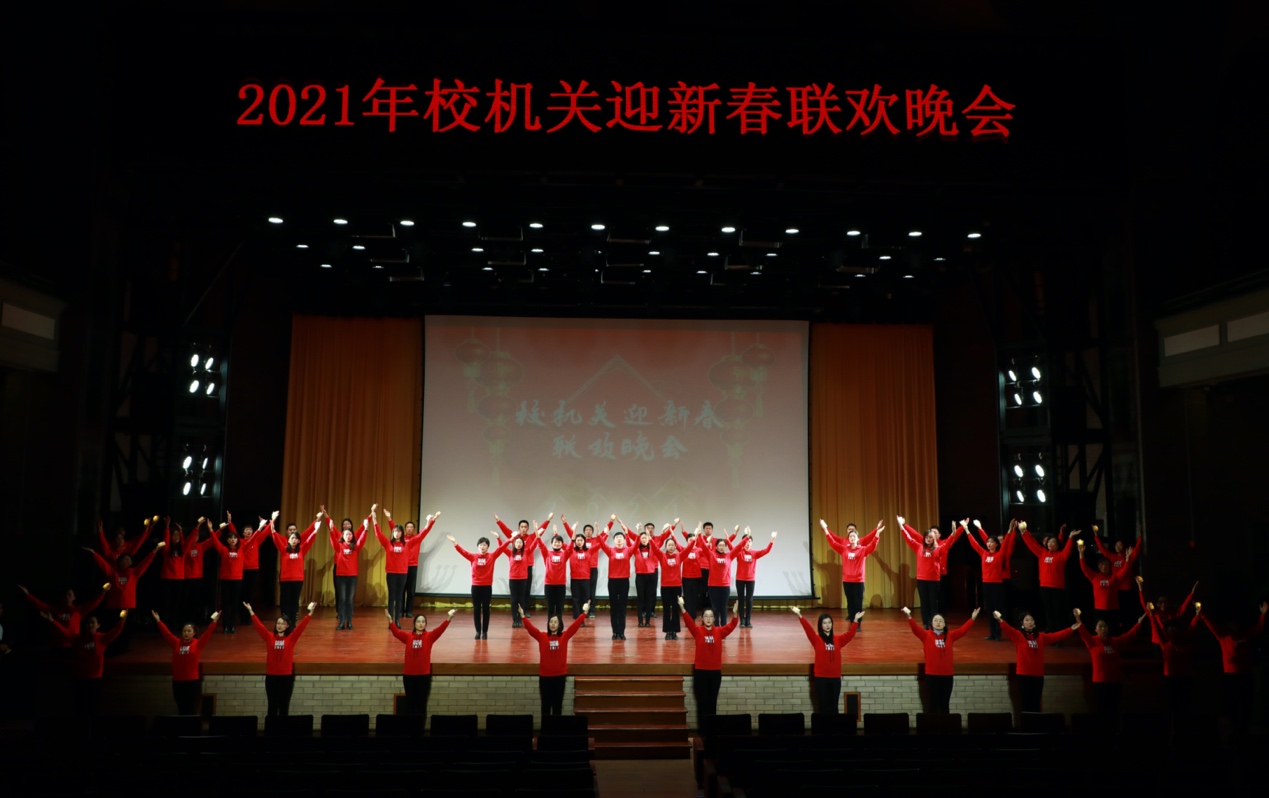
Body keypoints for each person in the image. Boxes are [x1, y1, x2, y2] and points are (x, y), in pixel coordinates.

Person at [1197, 600, 1267, 734]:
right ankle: (1234, 728)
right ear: (1228, 625)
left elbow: (1259, 628)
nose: (1234, 625)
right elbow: (1211, 626)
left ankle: (1244, 727)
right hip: (1230, 676)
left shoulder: (1246, 634)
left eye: (1236, 623)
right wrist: (1201, 614)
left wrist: (1263, 614)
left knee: (1246, 701)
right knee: (1232, 702)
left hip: (1246, 674)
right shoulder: (1224, 637)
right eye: (1232, 623)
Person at [42, 609, 128, 715]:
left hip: (95, 679)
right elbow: (65, 632)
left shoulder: (102, 638)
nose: (90, 625)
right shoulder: (78, 638)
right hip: (79, 679)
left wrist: (122, 620)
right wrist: (52, 620)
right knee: (79, 709)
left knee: (93, 709)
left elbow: (115, 631)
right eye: (88, 623)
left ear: (98, 625)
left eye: (92, 622)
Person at [996, 609, 1080, 712]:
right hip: (1024, 675)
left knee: (1036, 704)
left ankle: (1036, 723)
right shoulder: (1018, 635)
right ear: (1022, 623)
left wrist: (1070, 629)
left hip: (1038, 675)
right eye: (1027, 620)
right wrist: (999, 619)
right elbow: (1008, 629)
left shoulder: (1040, 636)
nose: (1030, 622)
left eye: (1031, 620)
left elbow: (1055, 636)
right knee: (1026, 705)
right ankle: (1026, 723)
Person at [86, 539, 163, 652]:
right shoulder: (113, 572)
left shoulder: (134, 572)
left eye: (128, 559)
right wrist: (94, 553)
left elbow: (145, 562)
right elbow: (103, 564)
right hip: (114, 605)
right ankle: (113, 648)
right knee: (113, 628)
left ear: (131, 562)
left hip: (128, 606)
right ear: (119, 561)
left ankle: (123, 648)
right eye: (123, 559)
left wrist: (155, 551)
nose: (125, 561)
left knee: (126, 629)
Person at [902, 605, 980, 713]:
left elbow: (962, 630)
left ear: (944, 624)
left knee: (945, 705)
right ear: (931, 623)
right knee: (933, 705)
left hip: (947, 676)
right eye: (935, 620)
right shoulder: (926, 635)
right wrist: (909, 616)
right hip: (931, 675)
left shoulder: (950, 636)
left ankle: (945, 724)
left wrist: (972, 618)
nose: (938, 622)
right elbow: (915, 629)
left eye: (941, 620)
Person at [244, 599, 315, 717]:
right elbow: (259, 626)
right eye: (278, 623)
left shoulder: (291, 638)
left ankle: (282, 728)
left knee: (284, 707)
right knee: (272, 706)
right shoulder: (269, 637)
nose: (280, 625)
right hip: (271, 677)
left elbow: (301, 627)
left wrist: (310, 613)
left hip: (286, 677)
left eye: (282, 623)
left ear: (287, 626)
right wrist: (251, 611)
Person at [521, 601, 588, 717]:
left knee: (557, 707)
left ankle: (556, 729)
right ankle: (546, 729)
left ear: (559, 625)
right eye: (551, 622)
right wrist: (523, 616)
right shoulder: (542, 636)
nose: (552, 624)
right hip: (545, 677)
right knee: (545, 707)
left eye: (555, 622)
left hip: (560, 677)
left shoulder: (564, 636)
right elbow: (531, 629)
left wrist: (584, 613)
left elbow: (575, 626)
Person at [791, 606, 862, 714]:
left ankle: (834, 726)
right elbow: (808, 629)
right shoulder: (817, 640)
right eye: (824, 623)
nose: (827, 625)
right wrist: (799, 615)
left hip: (835, 678)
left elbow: (850, 635)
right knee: (823, 708)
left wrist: (855, 620)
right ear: (820, 625)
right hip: (821, 678)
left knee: (834, 708)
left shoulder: (838, 640)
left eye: (829, 622)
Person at [679, 595, 739, 722]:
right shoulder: (697, 631)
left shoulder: (719, 632)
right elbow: (688, 621)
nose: (708, 618)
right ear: (702, 618)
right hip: (700, 672)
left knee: (712, 703)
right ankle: (703, 731)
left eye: (711, 616)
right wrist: (682, 606)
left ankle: (711, 730)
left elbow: (732, 625)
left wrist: (735, 613)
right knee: (702, 704)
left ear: (714, 618)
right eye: (705, 616)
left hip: (715, 673)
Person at [386, 607, 456, 716]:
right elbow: (396, 633)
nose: (421, 623)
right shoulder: (408, 636)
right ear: (414, 624)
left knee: (421, 705)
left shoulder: (429, 636)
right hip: (409, 676)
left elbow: (440, 629)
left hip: (423, 676)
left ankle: (420, 726)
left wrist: (449, 618)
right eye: (418, 621)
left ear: (426, 624)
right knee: (410, 705)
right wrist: (390, 620)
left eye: (423, 621)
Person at [1075, 608, 1145, 714]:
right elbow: (1082, 631)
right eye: (1100, 626)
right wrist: (1077, 617)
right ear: (1096, 629)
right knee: (1100, 711)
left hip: (1115, 681)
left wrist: (1139, 623)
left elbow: (1128, 635)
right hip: (1100, 682)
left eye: (1105, 626)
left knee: (1114, 710)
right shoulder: (1092, 641)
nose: (1103, 628)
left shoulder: (1114, 641)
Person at [152, 609, 219, 714]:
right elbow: (167, 634)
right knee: (181, 709)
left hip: (192, 682)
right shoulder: (176, 643)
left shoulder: (198, 643)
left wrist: (214, 622)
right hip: (178, 681)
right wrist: (158, 621)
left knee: (192, 709)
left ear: (194, 633)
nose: (186, 633)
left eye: (189, 631)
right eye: (184, 631)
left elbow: (207, 633)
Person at [900, 516, 960, 629]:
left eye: (931, 537)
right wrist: (901, 526)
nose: (928, 539)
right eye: (927, 537)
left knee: (933, 603)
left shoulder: (938, 549)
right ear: (924, 538)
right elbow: (908, 538)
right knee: (924, 603)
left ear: (934, 539)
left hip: (934, 580)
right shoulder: (918, 547)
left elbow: (948, 544)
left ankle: (933, 623)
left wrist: (953, 532)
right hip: (921, 580)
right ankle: (925, 623)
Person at [447, 533, 512, 639]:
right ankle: (478, 631)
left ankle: (485, 632)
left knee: (486, 609)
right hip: (476, 587)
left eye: (485, 545)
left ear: (488, 547)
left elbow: (501, 548)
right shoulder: (473, 557)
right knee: (476, 609)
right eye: (481, 545)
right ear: (478, 546)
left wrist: (510, 539)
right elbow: (463, 552)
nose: (483, 547)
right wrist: (455, 543)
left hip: (487, 587)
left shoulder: (492, 556)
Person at [1019, 522, 1081, 632]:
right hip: (1044, 586)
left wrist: (1070, 537)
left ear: (1057, 545)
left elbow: (1067, 549)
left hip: (1057, 587)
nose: (1050, 544)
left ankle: (1059, 632)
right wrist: (1024, 533)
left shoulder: (1061, 555)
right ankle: (1051, 630)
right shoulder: (1042, 553)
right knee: (1048, 610)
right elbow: (1032, 544)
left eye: (1053, 542)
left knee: (1057, 611)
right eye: (1049, 542)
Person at [822, 519, 881, 630]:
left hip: (858, 581)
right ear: (848, 539)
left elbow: (872, 545)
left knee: (858, 604)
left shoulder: (862, 550)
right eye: (850, 536)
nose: (852, 538)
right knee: (850, 603)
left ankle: (858, 624)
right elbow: (832, 542)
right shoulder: (844, 549)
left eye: (854, 536)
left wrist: (877, 534)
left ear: (858, 538)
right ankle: (852, 623)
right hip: (847, 581)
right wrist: (825, 528)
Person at [1145, 601, 1199, 719]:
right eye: (1170, 628)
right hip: (1170, 678)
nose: (1173, 630)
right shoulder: (1164, 643)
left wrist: (1198, 614)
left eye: (1175, 628)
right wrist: (1152, 615)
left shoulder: (1184, 641)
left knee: (1185, 705)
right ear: (1167, 631)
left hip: (1185, 677)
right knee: (1171, 705)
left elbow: (1192, 627)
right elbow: (1156, 627)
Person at [966, 519, 1016, 640]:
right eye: (988, 542)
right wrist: (967, 530)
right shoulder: (984, 553)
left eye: (992, 542)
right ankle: (992, 633)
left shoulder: (1000, 554)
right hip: (986, 584)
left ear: (997, 544)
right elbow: (974, 544)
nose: (989, 544)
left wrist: (1010, 530)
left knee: (998, 610)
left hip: (997, 584)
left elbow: (1006, 544)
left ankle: (998, 633)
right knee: (989, 609)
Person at [1076, 537, 1136, 631]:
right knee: (1100, 631)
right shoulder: (1094, 577)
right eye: (1102, 565)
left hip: (1113, 609)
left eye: (1106, 564)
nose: (1104, 567)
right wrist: (1081, 554)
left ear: (1110, 566)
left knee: (1113, 631)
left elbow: (1124, 571)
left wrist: (1127, 559)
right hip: (1099, 609)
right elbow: (1084, 568)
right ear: (1099, 567)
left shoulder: (1114, 578)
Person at [19, 583, 108, 645]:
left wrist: (103, 592)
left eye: (69, 595)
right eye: (65, 595)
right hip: (57, 645)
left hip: (72, 646)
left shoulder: (78, 610)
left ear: (74, 598)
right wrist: (27, 594)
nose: (66, 596)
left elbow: (93, 603)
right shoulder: (56, 610)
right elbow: (41, 605)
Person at [271, 513, 319, 624]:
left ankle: (293, 620)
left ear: (298, 541)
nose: (294, 540)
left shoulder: (302, 549)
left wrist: (316, 530)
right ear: (288, 539)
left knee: (294, 601)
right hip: (285, 580)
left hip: (298, 579)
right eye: (292, 538)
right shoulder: (283, 549)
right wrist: (273, 520)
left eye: (296, 538)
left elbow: (310, 540)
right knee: (285, 601)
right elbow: (274, 536)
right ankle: (285, 620)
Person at [373, 505, 416, 626]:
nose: (397, 533)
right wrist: (374, 518)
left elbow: (422, 534)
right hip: (391, 573)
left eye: (399, 531)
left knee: (399, 597)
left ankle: (397, 620)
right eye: (395, 531)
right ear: (393, 532)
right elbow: (378, 533)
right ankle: (391, 621)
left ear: (402, 533)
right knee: (391, 598)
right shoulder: (388, 543)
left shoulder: (407, 544)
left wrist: (430, 522)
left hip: (402, 574)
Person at [395, 510, 439, 621]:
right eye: (407, 527)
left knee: (411, 591)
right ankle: (400, 611)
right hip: (401, 567)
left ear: (414, 529)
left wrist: (433, 520)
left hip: (413, 566)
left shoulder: (417, 538)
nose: (409, 529)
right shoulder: (400, 539)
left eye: (411, 527)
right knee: (401, 590)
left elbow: (426, 530)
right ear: (405, 529)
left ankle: (409, 611)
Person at [208, 515, 247, 633]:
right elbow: (215, 541)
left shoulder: (242, 549)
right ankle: (225, 626)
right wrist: (211, 530)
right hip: (225, 580)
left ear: (238, 540)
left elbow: (254, 539)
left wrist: (260, 528)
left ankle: (232, 625)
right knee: (226, 603)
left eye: (235, 538)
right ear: (227, 540)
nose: (233, 540)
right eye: (230, 538)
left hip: (237, 580)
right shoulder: (224, 550)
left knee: (235, 603)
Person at [329, 511, 368, 630]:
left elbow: (362, 539)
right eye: (346, 534)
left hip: (352, 577)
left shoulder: (355, 547)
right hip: (340, 576)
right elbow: (333, 540)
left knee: (350, 600)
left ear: (352, 536)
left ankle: (349, 621)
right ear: (343, 535)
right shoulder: (339, 546)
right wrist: (331, 530)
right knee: (342, 599)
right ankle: (342, 622)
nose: (348, 536)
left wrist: (366, 529)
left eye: (350, 534)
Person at [733, 531, 776, 628]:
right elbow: (732, 548)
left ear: (752, 543)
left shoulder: (755, 553)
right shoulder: (739, 552)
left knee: (749, 600)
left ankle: (748, 620)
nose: (747, 543)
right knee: (741, 600)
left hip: (750, 580)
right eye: (746, 541)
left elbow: (766, 551)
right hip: (740, 579)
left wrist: (772, 541)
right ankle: (742, 620)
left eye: (749, 541)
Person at [237, 513, 274, 625]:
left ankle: (248, 617)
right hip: (243, 570)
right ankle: (241, 617)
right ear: (243, 533)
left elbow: (267, 532)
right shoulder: (240, 542)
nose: (249, 531)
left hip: (254, 570)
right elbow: (233, 531)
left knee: (251, 594)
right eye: (246, 530)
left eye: (250, 530)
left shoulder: (256, 540)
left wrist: (270, 522)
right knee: (242, 594)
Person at [702, 528, 741, 625]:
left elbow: (738, 548)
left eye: (723, 545)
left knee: (723, 607)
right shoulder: (711, 555)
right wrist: (699, 534)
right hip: (713, 586)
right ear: (716, 546)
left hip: (725, 585)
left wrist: (746, 537)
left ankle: (723, 626)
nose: (721, 547)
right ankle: (715, 627)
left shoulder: (729, 555)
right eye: (720, 545)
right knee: (715, 607)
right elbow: (703, 546)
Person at [599, 530, 633, 639]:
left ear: (624, 540)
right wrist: (599, 532)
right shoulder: (610, 550)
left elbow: (637, 544)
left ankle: (621, 632)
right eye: (617, 537)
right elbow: (601, 544)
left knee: (622, 608)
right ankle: (614, 632)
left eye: (621, 537)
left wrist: (634, 532)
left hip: (624, 581)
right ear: (614, 540)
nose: (619, 539)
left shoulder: (628, 550)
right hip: (613, 581)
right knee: (613, 608)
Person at [182, 517, 217, 623]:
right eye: (194, 535)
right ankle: (184, 621)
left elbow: (212, 540)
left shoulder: (200, 546)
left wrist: (219, 530)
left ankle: (192, 622)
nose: (195, 537)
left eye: (197, 536)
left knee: (195, 601)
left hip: (198, 578)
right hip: (187, 577)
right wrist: (197, 526)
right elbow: (188, 541)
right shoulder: (185, 546)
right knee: (185, 601)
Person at [506, 524, 541, 628]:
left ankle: (520, 619)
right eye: (517, 542)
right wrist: (501, 538)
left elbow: (534, 544)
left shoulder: (527, 552)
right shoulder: (510, 553)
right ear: (514, 544)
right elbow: (501, 548)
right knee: (514, 600)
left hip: (523, 579)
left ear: (523, 544)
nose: (519, 544)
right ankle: (514, 620)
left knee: (521, 599)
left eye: (520, 542)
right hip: (513, 579)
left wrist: (537, 535)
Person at [654, 536, 685, 639]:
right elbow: (655, 549)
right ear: (666, 546)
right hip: (665, 587)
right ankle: (667, 631)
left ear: (675, 546)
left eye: (673, 545)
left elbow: (688, 549)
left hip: (677, 587)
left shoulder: (679, 556)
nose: (671, 547)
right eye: (669, 545)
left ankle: (674, 631)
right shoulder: (662, 556)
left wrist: (695, 538)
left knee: (676, 609)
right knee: (666, 610)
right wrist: (649, 538)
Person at [540, 528, 570, 621]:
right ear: (552, 543)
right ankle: (550, 627)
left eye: (559, 542)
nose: (557, 544)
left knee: (559, 608)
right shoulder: (547, 553)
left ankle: (559, 626)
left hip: (560, 584)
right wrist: (538, 536)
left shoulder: (564, 554)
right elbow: (541, 545)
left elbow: (571, 547)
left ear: (562, 544)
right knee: (550, 608)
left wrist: (573, 535)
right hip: (549, 584)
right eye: (555, 542)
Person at [567, 531, 595, 621]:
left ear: (584, 541)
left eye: (581, 540)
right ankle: (577, 617)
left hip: (585, 579)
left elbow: (600, 544)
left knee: (585, 599)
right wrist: (556, 534)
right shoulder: (571, 550)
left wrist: (603, 534)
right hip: (575, 578)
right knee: (576, 599)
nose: (579, 542)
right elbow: (561, 544)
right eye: (578, 540)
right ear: (575, 542)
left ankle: (583, 616)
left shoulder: (589, 550)